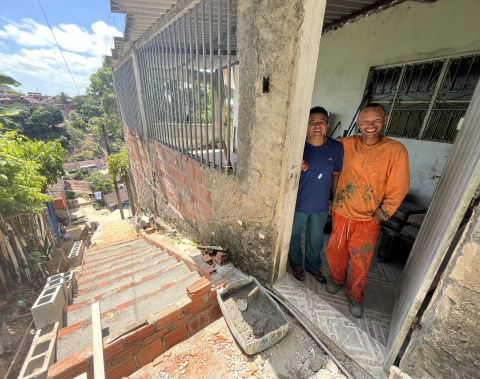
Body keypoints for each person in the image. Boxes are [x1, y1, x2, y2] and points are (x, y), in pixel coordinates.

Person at [325, 103, 410, 318]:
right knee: (335, 251)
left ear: (385, 120)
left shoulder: (395, 150)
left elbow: (399, 186)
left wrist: (381, 214)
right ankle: (337, 280)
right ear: (358, 123)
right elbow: (327, 161)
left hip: (368, 218)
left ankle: (355, 296)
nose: (370, 125)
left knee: (361, 259)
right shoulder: (345, 144)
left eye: (376, 120)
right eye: (365, 121)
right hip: (341, 211)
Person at [289, 107, 344, 284]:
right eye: (312, 122)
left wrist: (335, 199)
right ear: (306, 126)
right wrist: (295, 165)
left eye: (321, 121)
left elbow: (336, 174)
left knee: (316, 238)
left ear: (327, 125)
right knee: (293, 236)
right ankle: (296, 264)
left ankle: (313, 266)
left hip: (320, 203)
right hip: (297, 203)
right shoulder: (297, 146)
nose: (317, 125)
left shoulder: (336, 147)